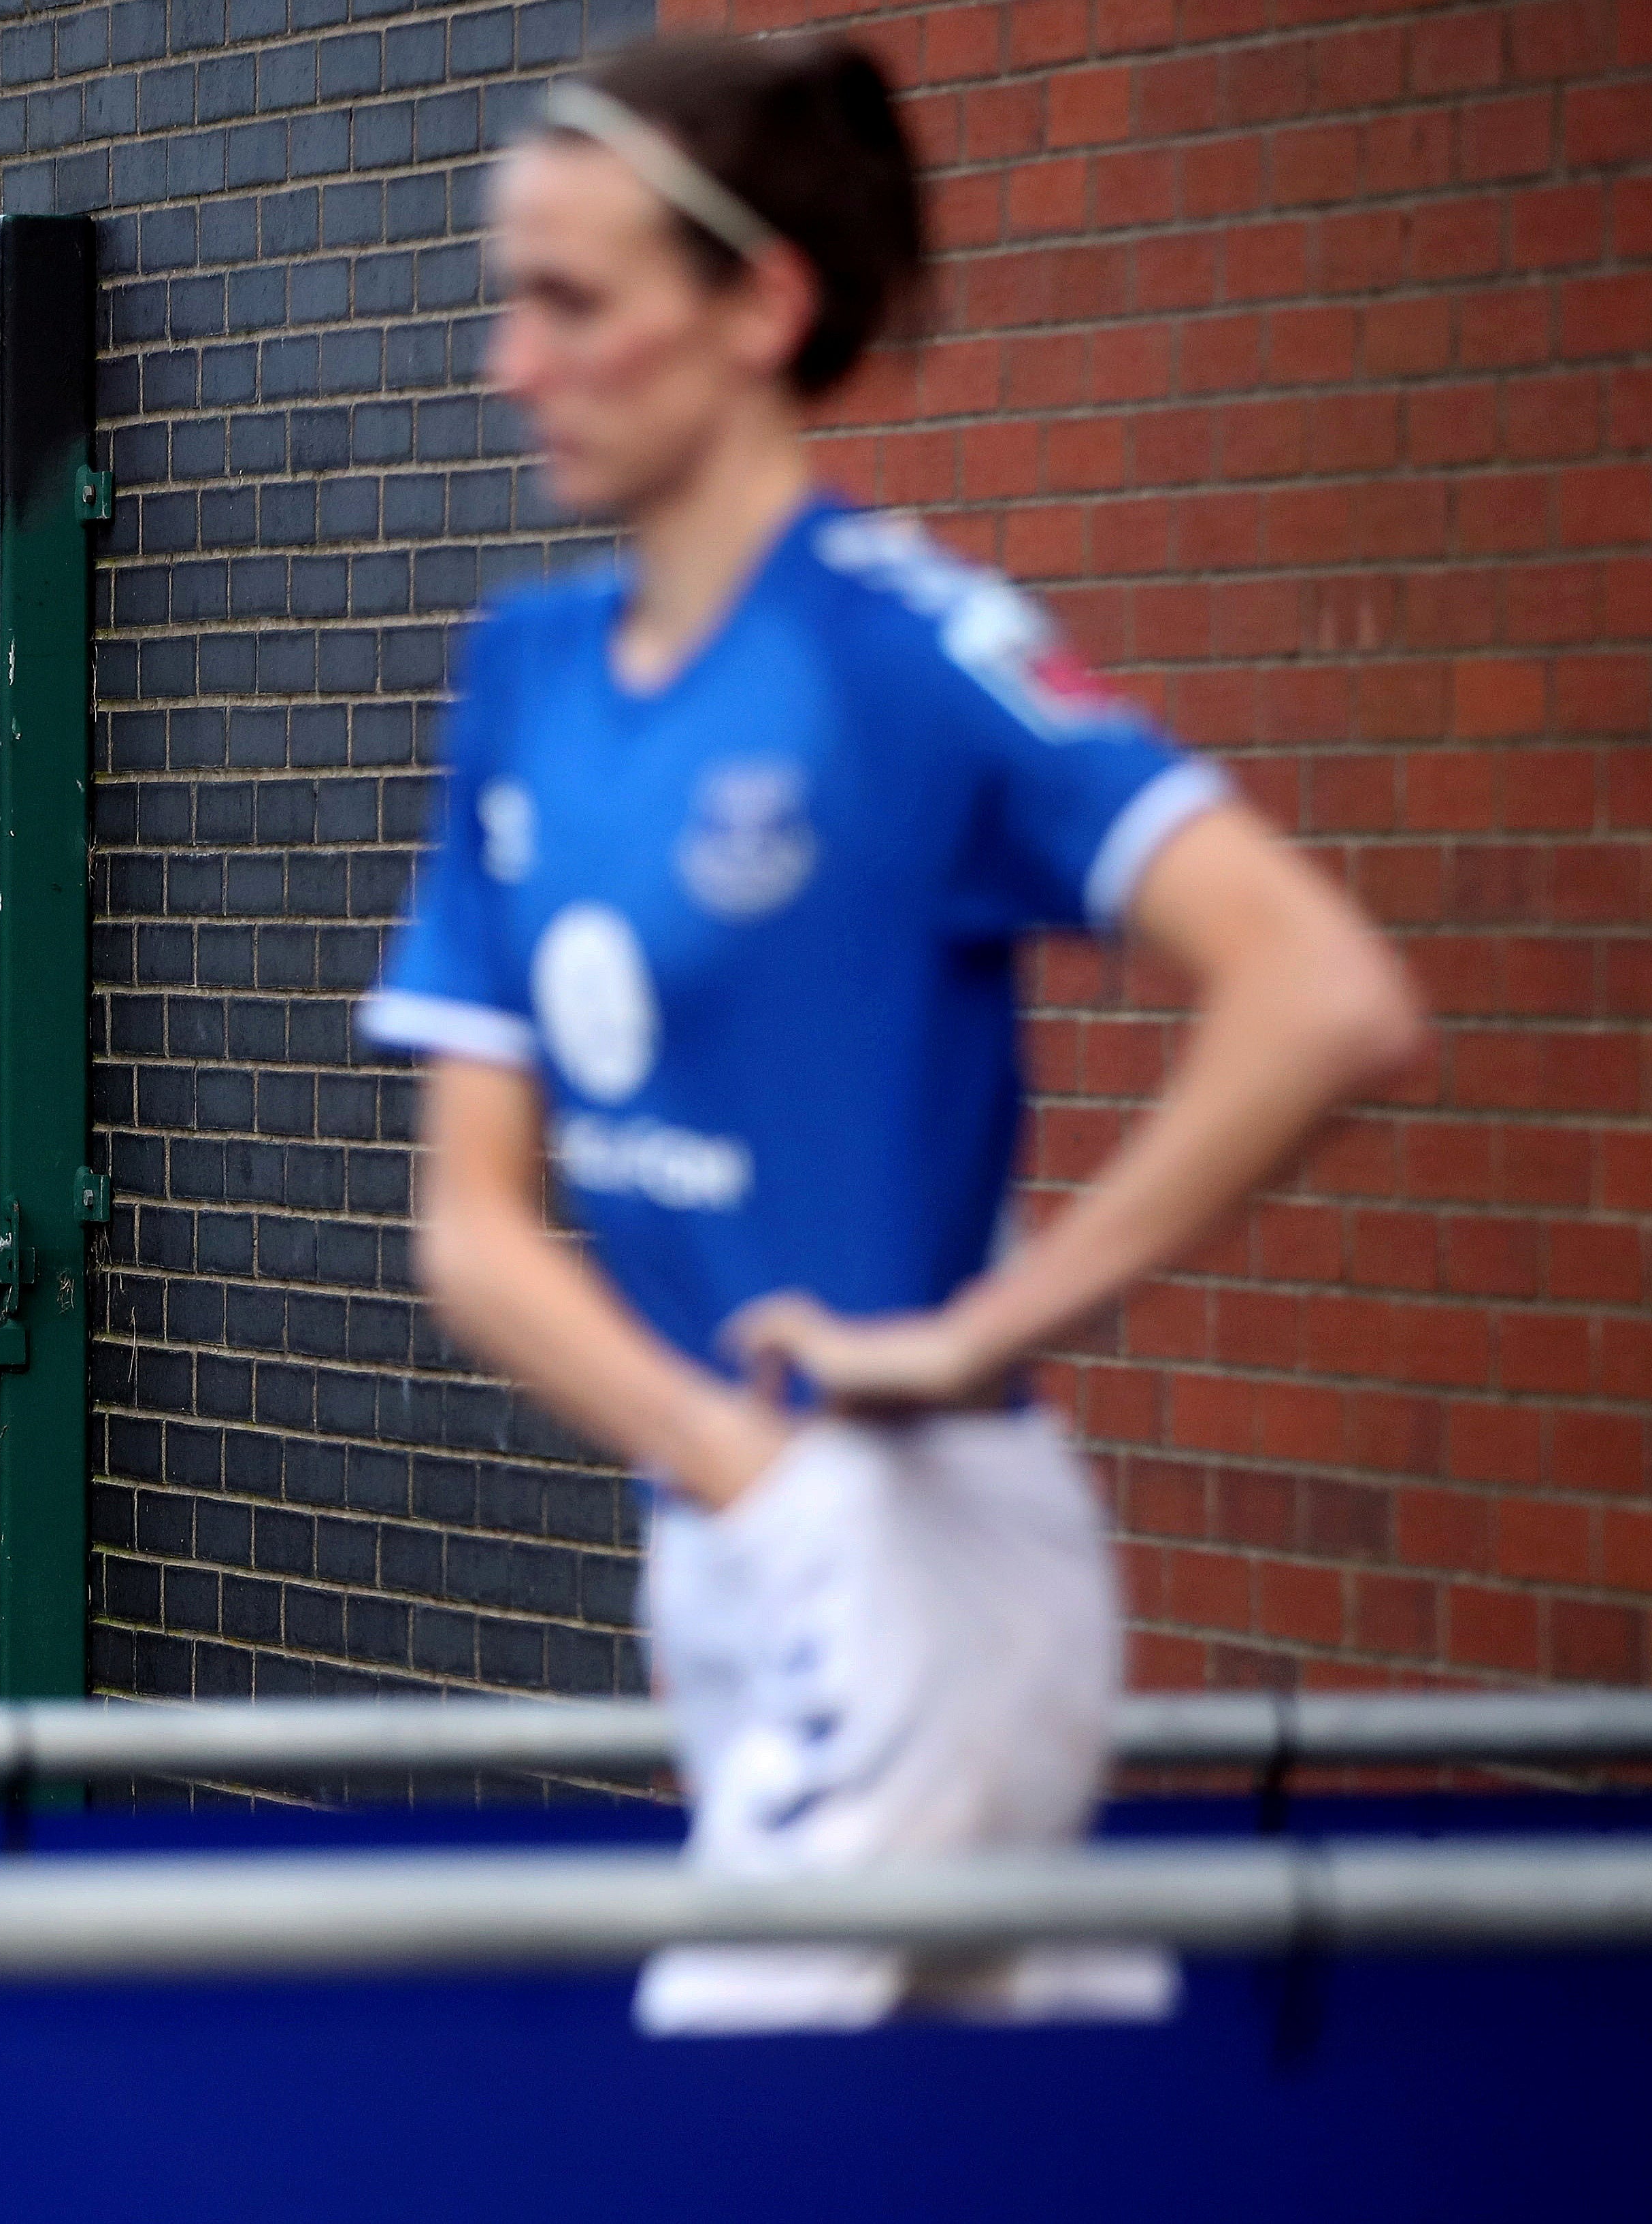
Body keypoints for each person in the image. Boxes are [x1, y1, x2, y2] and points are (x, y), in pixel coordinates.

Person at [360, 37, 1427, 2031]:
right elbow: (470, 1233)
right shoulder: (521, 679)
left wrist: (979, 1332)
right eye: (510, 295)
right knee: (994, 2126)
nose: (515, 361)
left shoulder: (905, 652)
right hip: (726, 1542)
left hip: (917, 1543)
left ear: (758, 306)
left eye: (573, 301)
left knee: (737, 2097)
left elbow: (1325, 993)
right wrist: (736, 1474)